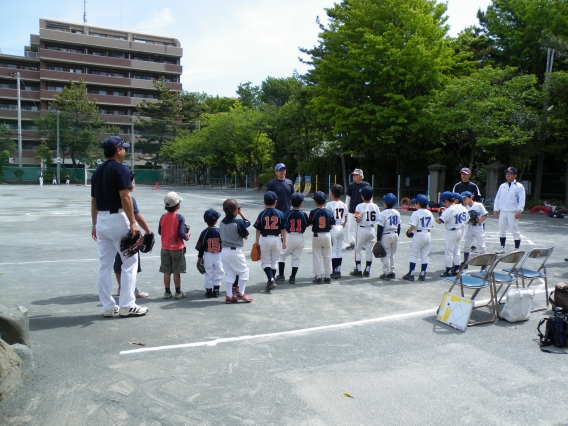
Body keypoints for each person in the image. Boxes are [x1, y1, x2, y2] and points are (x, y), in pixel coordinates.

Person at [91, 136, 147, 318]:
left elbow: (94, 201)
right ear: (118, 150)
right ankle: (127, 304)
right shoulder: (121, 169)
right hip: (117, 219)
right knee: (130, 262)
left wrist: (94, 224)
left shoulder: (97, 171)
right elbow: (125, 197)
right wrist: (132, 223)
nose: (124, 150)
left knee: (104, 265)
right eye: (123, 148)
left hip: (102, 221)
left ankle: (108, 306)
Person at [114, 171, 150, 299]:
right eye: (133, 181)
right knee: (130, 263)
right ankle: (131, 290)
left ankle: (121, 288)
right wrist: (148, 231)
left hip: (113, 231)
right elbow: (137, 217)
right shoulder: (129, 198)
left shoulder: (113, 195)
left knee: (118, 261)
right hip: (127, 235)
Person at [219, 198, 253, 303]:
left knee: (230, 274)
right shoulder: (238, 223)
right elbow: (246, 235)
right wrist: (241, 213)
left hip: (224, 252)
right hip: (235, 251)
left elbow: (245, 224)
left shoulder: (222, 222)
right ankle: (241, 292)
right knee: (244, 271)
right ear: (236, 211)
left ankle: (229, 296)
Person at [158, 192, 190, 300]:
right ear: (177, 205)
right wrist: (187, 236)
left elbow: (159, 231)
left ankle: (167, 292)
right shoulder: (180, 217)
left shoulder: (163, 217)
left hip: (165, 248)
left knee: (166, 271)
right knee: (177, 272)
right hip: (177, 249)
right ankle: (178, 292)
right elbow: (181, 233)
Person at [254, 191, 287, 291]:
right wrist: (284, 241)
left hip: (265, 239)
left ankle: (271, 279)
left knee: (265, 262)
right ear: (276, 202)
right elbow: (283, 229)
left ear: (264, 202)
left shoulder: (262, 214)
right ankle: (271, 280)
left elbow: (258, 229)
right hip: (277, 239)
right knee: (274, 261)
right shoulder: (280, 213)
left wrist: (256, 242)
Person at [276, 192, 309, 284]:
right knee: (296, 258)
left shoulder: (286, 213)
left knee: (282, 256)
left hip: (289, 236)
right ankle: (292, 277)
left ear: (290, 202)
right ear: (301, 203)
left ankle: (281, 275)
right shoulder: (303, 214)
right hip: (299, 237)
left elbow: (281, 225)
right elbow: (307, 224)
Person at [349, 186, 380, 278]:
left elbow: (357, 220)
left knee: (358, 249)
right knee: (369, 250)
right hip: (371, 229)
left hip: (362, 229)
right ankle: (367, 270)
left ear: (362, 196)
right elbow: (378, 220)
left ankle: (358, 270)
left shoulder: (359, 206)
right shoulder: (375, 206)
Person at [493, 166, 526, 254]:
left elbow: (521, 199)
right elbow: (497, 198)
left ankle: (517, 248)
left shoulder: (519, 186)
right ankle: (502, 247)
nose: (507, 175)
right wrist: (496, 208)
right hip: (503, 211)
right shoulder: (502, 186)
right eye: (507, 173)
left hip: (513, 211)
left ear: (515, 175)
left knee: (514, 229)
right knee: (502, 229)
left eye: (510, 174)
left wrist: (519, 211)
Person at [402, 194, 434, 281]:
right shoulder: (429, 212)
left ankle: (411, 274)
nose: (414, 204)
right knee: (425, 255)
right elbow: (432, 226)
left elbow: (413, 226)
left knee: (414, 254)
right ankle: (423, 273)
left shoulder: (416, 213)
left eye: (415, 203)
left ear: (418, 204)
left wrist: (409, 232)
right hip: (427, 234)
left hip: (418, 234)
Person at [435, 191, 467, 277]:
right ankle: (456, 269)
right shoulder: (462, 207)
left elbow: (439, 221)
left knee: (448, 251)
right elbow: (467, 219)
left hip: (452, 232)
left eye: (443, 202)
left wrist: (432, 217)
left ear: (446, 200)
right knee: (457, 251)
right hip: (460, 230)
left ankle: (448, 271)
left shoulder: (449, 210)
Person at [195, 209, 224, 298]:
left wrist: (200, 257)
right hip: (219, 255)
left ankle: (208, 290)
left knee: (208, 272)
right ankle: (216, 289)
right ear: (217, 220)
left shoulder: (204, 232)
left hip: (208, 255)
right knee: (219, 271)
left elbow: (201, 246)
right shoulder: (220, 231)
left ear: (205, 221)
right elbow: (224, 243)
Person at [308, 191, 335, 283]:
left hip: (317, 235)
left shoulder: (313, 212)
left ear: (315, 201)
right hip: (327, 234)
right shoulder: (329, 211)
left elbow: (311, 223)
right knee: (327, 255)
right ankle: (328, 276)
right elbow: (332, 225)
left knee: (317, 256)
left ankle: (318, 276)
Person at [377, 193, 401, 281]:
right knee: (392, 254)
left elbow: (380, 228)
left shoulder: (383, 213)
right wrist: (397, 236)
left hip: (386, 234)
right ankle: (392, 271)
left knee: (386, 254)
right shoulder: (397, 212)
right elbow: (399, 226)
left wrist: (378, 239)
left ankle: (386, 272)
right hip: (395, 233)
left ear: (385, 203)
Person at [461, 191, 488, 268]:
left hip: (478, 227)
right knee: (466, 244)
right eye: (463, 199)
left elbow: (485, 215)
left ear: (471, 197)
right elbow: (465, 220)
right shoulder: (465, 208)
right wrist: (469, 221)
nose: (464, 201)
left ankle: (484, 263)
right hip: (470, 227)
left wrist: (478, 221)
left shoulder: (479, 205)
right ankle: (465, 262)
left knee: (481, 245)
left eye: (465, 199)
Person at [345, 169, 370, 250]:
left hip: (363, 211)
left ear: (360, 176)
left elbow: (370, 197)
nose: (354, 176)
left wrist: (369, 207)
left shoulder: (366, 185)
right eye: (353, 175)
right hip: (353, 210)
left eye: (356, 175)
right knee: (351, 227)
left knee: (361, 226)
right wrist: (346, 208)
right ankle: (352, 242)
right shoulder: (351, 186)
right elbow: (348, 198)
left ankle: (361, 243)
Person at [326, 184, 348, 279]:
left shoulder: (329, 204)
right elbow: (346, 216)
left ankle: (333, 270)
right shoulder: (343, 204)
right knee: (339, 249)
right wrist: (343, 225)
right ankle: (338, 269)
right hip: (340, 227)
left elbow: (327, 217)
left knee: (333, 249)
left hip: (333, 228)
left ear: (331, 193)